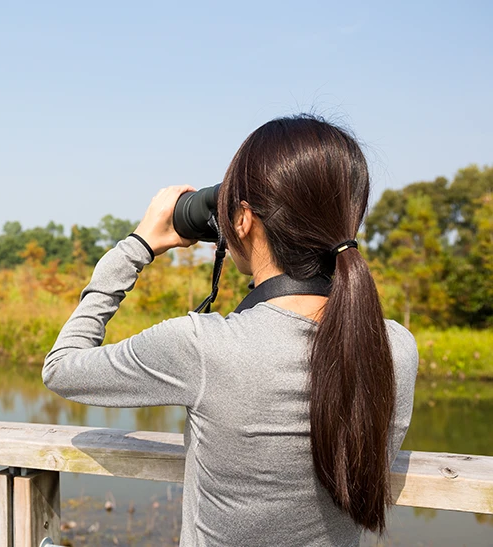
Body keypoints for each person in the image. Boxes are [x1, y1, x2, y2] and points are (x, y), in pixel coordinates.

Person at [43, 114, 418, 546]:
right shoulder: (395, 347)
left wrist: (137, 245)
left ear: (242, 219)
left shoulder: (204, 347)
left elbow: (61, 368)